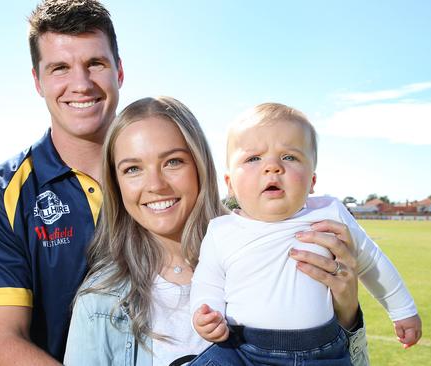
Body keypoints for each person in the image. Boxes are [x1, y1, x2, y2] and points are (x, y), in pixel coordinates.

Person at [64, 97, 370, 366]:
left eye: (173, 162)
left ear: (201, 167)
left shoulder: (289, 252)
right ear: (116, 184)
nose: (155, 185)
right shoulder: (99, 303)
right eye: (132, 169)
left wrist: (345, 315)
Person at [189, 103, 422, 365]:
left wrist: (403, 310)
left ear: (312, 180)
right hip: (241, 350)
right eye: (253, 158)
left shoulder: (329, 213)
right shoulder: (221, 230)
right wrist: (206, 313)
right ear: (230, 184)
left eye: (289, 157)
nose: (272, 167)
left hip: (322, 352)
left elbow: (372, 262)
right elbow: (207, 283)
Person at [0, 0, 123, 363]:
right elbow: (3, 342)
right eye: (60, 68)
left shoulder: (162, 176)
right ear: (38, 81)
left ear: (119, 72)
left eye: (95, 63)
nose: (81, 84)